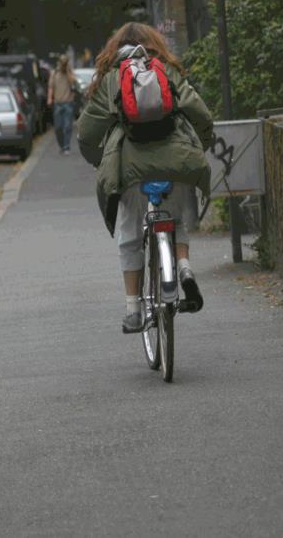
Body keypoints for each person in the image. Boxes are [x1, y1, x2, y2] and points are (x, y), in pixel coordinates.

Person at [77, 22, 214, 333]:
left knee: (129, 235)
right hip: (175, 161)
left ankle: (134, 309)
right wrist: (198, 147)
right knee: (175, 218)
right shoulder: (168, 72)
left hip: (130, 168)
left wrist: (100, 162)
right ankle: (184, 269)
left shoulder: (112, 79)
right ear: (156, 45)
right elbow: (202, 115)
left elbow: (86, 134)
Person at [47, 54, 77, 155]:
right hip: (57, 103)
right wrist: (49, 98)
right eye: (62, 63)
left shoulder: (70, 73)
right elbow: (51, 87)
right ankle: (62, 145)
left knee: (68, 126)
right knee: (58, 127)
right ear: (59, 63)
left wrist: (68, 71)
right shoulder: (54, 73)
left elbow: (74, 82)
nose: (63, 65)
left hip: (68, 102)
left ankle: (66, 146)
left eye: (65, 63)